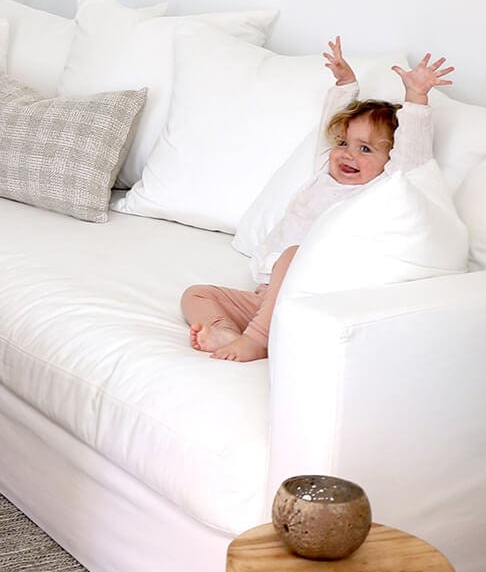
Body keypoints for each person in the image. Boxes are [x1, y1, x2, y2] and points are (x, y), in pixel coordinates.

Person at [183, 37, 454, 362]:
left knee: (293, 255)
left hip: (308, 290)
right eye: (343, 143)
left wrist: (416, 97)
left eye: (366, 149)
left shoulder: (384, 185)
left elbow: (412, 155)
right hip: (267, 298)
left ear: (390, 158)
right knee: (196, 295)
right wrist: (344, 83)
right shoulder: (323, 174)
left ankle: (258, 339)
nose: (348, 154)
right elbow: (333, 124)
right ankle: (227, 331)